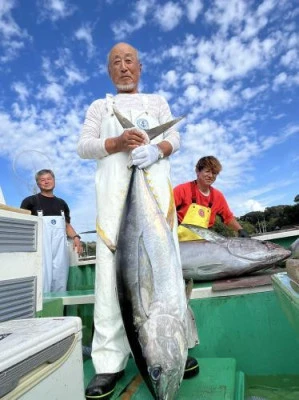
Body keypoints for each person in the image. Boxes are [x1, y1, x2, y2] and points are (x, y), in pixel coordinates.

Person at [77, 42, 199, 400]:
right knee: (108, 289)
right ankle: (109, 364)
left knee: (167, 280)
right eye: (116, 62)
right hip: (115, 210)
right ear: (109, 71)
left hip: (157, 206)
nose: (123, 67)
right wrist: (116, 142)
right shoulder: (100, 106)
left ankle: (181, 347)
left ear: (140, 67)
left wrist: (156, 149)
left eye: (129, 60)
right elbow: (83, 146)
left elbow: (175, 136)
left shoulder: (157, 102)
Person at [20, 169, 83, 292]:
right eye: (42, 180)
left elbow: (66, 225)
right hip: (40, 248)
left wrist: (76, 237)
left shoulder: (62, 203)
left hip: (60, 248)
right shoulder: (29, 201)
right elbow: (23, 226)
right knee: (42, 281)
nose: (46, 182)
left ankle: (58, 308)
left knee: (61, 279)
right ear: (38, 184)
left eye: (49, 179)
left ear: (54, 180)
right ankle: (42, 310)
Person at [174, 156, 249, 241]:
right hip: (178, 243)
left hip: (204, 244)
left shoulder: (218, 196)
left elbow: (228, 217)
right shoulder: (181, 189)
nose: (210, 176)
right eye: (207, 171)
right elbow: (165, 212)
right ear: (197, 171)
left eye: (214, 173)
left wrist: (241, 230)